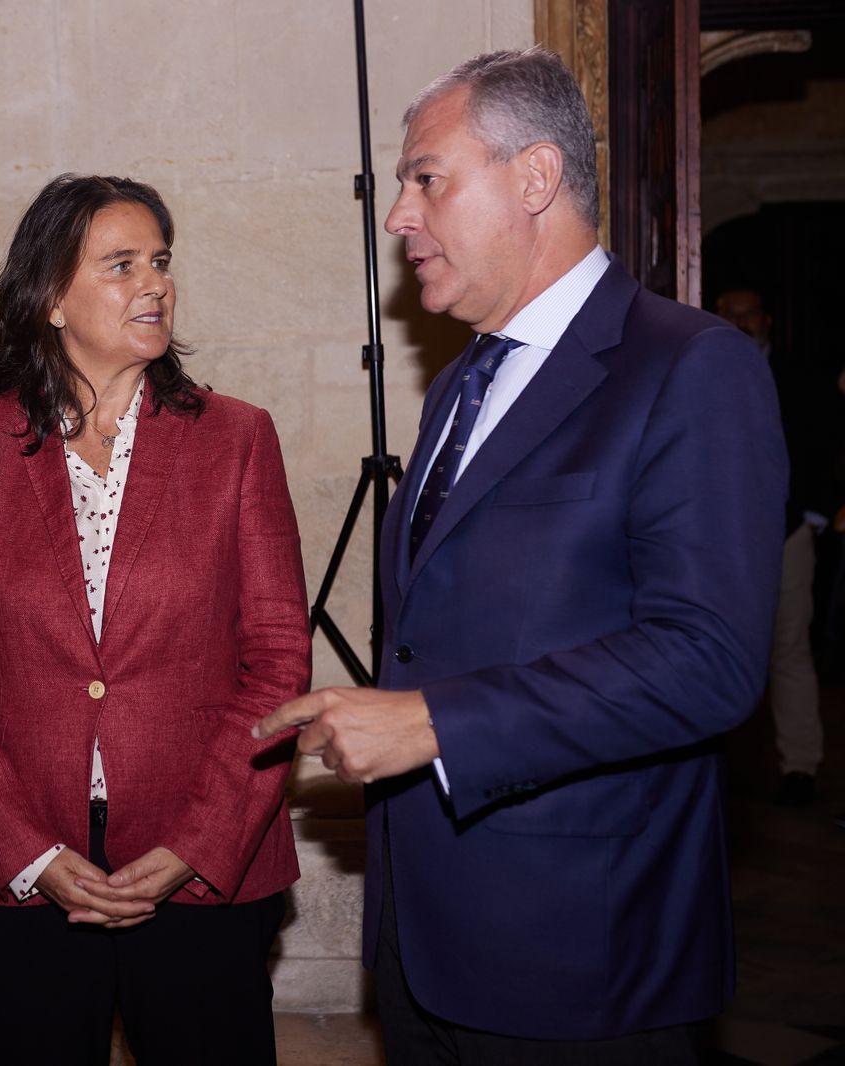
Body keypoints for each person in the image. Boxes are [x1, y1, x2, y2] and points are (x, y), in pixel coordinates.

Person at [252, 49, 786, 1062]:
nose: (398, 214)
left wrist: (430, 723)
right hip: (425, 944)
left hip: (582, 958)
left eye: (426, 177)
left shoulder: (688, 366)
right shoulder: (460, 382)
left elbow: (707, 657)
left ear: (534, 178)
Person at [0, 173, 310, 1065]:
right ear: (49, 296)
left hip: (204, 877)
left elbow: (278, 660)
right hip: (21, 879)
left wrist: (194, 846)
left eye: (160, 262)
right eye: (121, 265)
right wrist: (27, 851)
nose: (154, 283)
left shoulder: (237, 438)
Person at [716, 286, 838, 806]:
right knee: (711, 645)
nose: (742, 323)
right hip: (717, 536)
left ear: (766, 320)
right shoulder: (704, 366)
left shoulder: (800, 377)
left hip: (787, 532)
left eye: (749, 315)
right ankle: (717, 767)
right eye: (730, 315)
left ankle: (800, 766)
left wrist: (814, 513)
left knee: (789, 648)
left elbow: (829, 442)